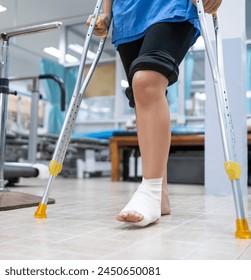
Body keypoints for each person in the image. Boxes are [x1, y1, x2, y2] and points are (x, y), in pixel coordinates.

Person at [87, 0, 222, 227]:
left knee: (146, 81)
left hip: (171, 6)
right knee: (143, 95)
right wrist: (106, 14)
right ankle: (160, 195)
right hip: (127, 16)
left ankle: (149, 191)